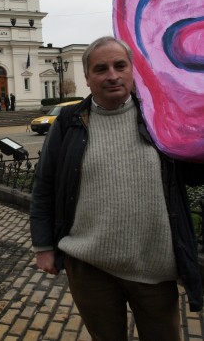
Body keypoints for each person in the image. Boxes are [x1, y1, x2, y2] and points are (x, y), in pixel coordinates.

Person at [30, 36, 204, 341]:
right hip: (90, 266)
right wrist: (43, 246)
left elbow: (193, 174)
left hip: (154, 265)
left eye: (120, 65)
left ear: (132, 69)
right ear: (87, 78)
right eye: (101, 69)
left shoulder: (158, 116)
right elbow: (45, 186)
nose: (112, 75)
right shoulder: (69, 123)